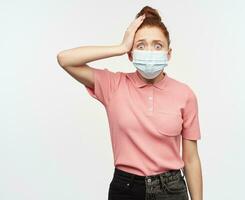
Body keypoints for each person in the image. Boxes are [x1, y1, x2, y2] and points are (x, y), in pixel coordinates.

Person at [57, 5, 203, 200]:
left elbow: (191, 159)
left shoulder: (185, 94)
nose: (149, 51)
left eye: (157, 45)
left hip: (171, 189)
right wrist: (120, 47)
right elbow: (65, 59)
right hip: (125, 188)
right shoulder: (113, 85)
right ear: (130, 54)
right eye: (141, 45)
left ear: (168, 53)